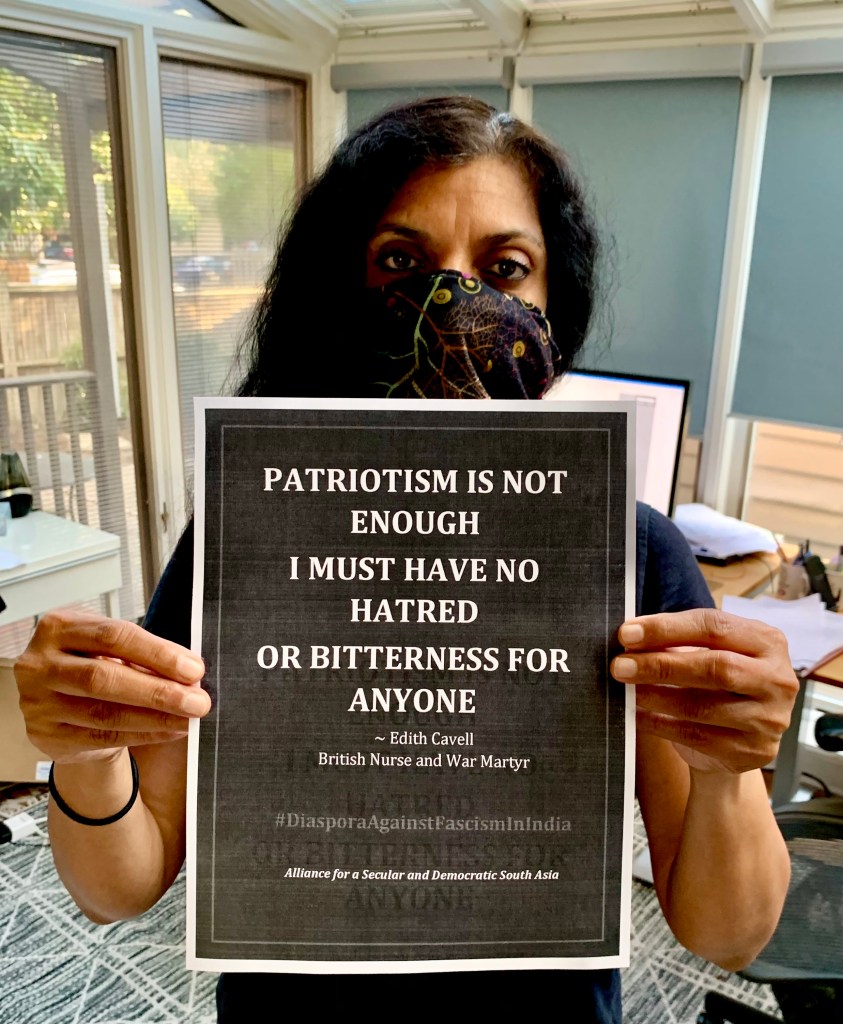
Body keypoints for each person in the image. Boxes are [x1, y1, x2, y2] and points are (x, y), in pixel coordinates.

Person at [14, 96, 798, 1022]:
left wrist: (726, 769)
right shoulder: (243, 536)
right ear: (337, 284)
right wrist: (89, 751)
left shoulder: (628, 552)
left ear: (555, 302)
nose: (449, 299)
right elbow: (119, 891)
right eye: (400, 261)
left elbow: (726, 938)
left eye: (504, 268)